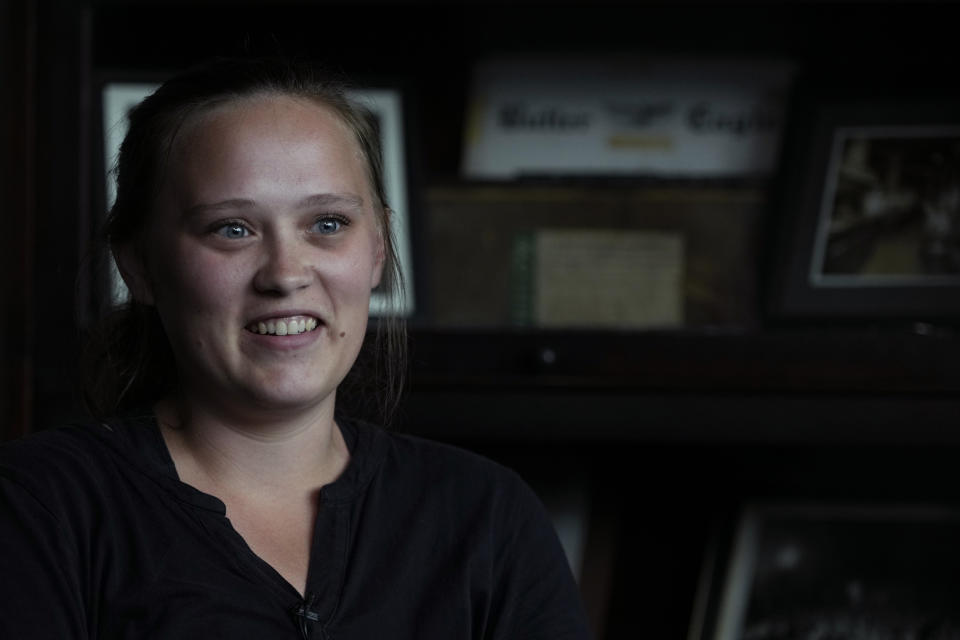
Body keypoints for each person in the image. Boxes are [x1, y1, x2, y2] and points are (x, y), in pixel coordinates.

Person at [0, 57, 591, 639]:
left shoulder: (486, 514)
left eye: (328, 223)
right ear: (141, 267)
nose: (286, 274)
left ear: (379, 247)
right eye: (232, 228)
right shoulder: (41, 507)